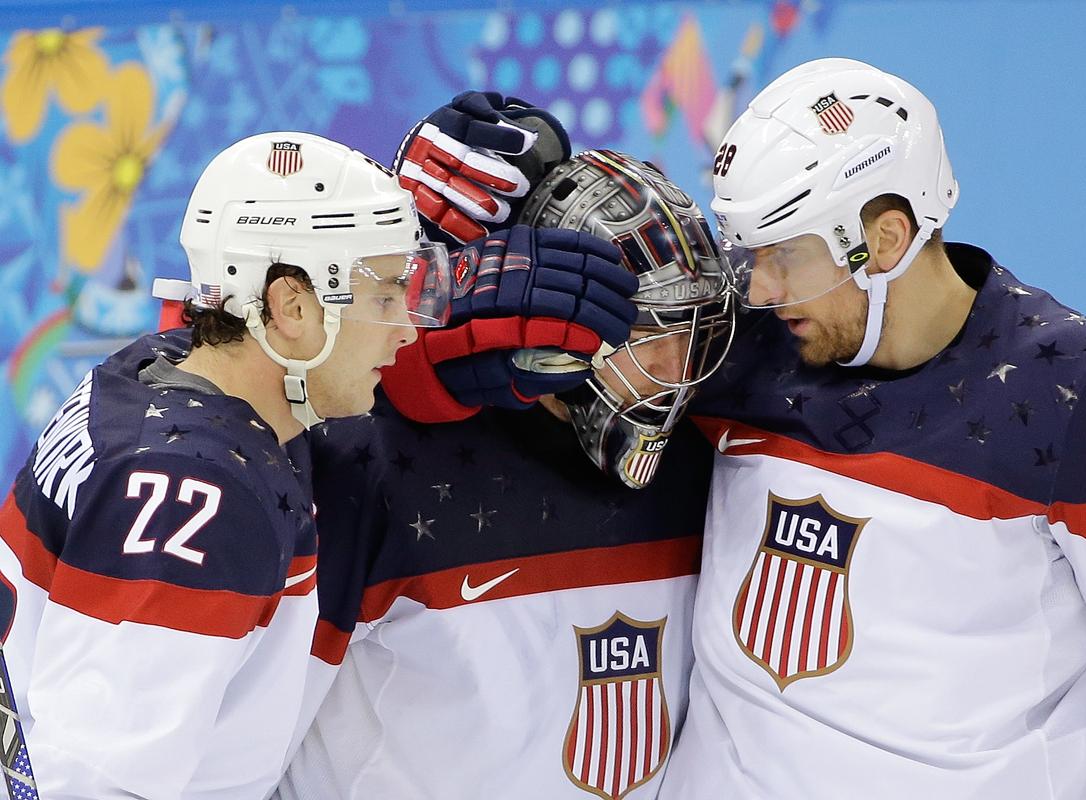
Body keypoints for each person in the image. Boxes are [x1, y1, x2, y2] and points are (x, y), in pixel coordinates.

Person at [0, 130, 634, 798]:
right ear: (292, 306)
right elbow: (96, 785)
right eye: (387, 295)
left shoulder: (151, 371)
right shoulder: (196, 496)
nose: (409, 329)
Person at [653, 58, 1086, 799]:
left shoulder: (1079, 388)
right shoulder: (743, 345)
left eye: (785, 254)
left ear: (885, 238)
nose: (761, 288)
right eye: (750, 253)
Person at [273, 150, 734, 799]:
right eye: (650, 334)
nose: (679, 367)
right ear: (558, 329)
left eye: (697, 331)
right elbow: (236, 738)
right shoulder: (364, 460)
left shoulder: (711, 451)